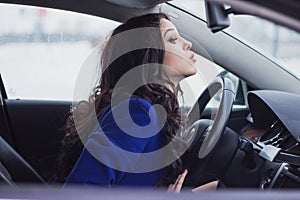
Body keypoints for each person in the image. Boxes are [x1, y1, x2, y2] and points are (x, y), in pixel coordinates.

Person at [55, 13, 217, 191]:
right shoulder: (137, 112)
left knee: (222, 188)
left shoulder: (153, 111)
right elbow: (81, 190)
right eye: (172, 39)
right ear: (147, 56)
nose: (188, 44)